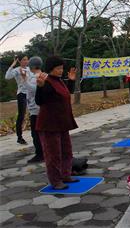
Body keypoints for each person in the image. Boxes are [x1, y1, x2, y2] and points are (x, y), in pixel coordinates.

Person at [35, 56, 79, 190]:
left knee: (67, 151)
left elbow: (65, 95)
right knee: (53, 154)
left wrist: (71, 82)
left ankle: (66, 175)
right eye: (58, 68)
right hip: (49, 125)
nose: (61, 70)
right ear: (50, 69)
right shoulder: (47, 82)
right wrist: (40, 87)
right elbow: (40, 101)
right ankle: (55, 180)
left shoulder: (59, 81)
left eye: (61, 68)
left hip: (62, 123)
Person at [5, 55, 30, 144]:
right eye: (23, 60)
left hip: (31, 94)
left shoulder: (29, 69)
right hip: (22, 94)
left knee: (34, 114)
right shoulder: (16, 70)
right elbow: (7, 77)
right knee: (21, 115)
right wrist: (13, 64)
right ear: (19, 61)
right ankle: (19, 137)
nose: (26, 61)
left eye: (27, 59)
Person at [25, 56, 44, 163]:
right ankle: (44, 152)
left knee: (36, 133)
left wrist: (24, 80)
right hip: (39, 108)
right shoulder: (43, 75)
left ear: (32, 66)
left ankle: (40, 154)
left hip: (36, 109)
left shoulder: (35, 77)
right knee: (41, 132)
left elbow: (33, 89)